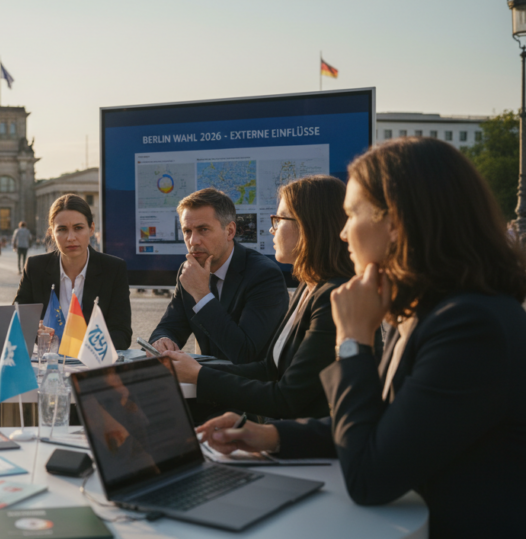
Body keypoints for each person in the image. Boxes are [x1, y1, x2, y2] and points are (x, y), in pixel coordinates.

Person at [197, 138, 526, 538]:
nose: (342, 233)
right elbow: (390, 424)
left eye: (352, 214)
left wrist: (353, 340)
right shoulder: (437, 311)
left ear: (395, 224)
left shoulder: (470, 327)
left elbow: (370, 475)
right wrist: (271, 435)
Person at [165, 176, 356, 420]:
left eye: (279, 219)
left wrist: (199, 375)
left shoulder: (332, 296)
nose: (271, 229)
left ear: (308, 226)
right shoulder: (308, 286)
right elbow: (270, 369)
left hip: (302, 434)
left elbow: (286, 397)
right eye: (187, 231)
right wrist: (188, 366)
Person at [147, 188, 289, 364]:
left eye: (203, 229)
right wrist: (162, 340)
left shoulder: (264, 275)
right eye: (187, 231)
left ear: (230, 231)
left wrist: (201, 295)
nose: (193, 241)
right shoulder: (189, 270)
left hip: (248, 380)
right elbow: (170, 326)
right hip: (205, 377)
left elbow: (245, 353)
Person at [15, 194, 132, 349]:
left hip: (91, 360)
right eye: (62, 229)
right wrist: (36, 332)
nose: (71, 237)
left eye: (78, 228)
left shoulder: (113, 269)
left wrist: (84, 345)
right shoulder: (35, 267)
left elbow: (122, 334)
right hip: (49, 360)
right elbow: (16, 322)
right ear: (51, 233)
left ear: (91, 229)